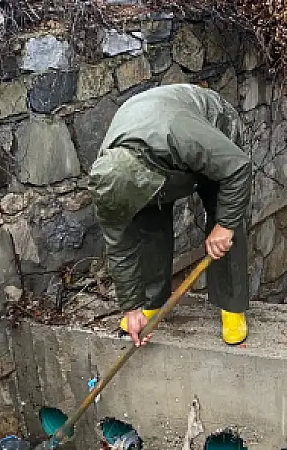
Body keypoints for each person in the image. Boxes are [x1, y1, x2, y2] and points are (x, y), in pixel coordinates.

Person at [88, 84, 252, 347]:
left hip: (212, 129)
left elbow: (238, 168)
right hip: (159, 150)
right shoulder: (108, 180)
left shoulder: (181, 133)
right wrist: (132, 308)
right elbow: (120, 248)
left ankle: (231, 304)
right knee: (147, 222)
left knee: (224, 212)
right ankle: (152, 301)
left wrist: (225, 225)